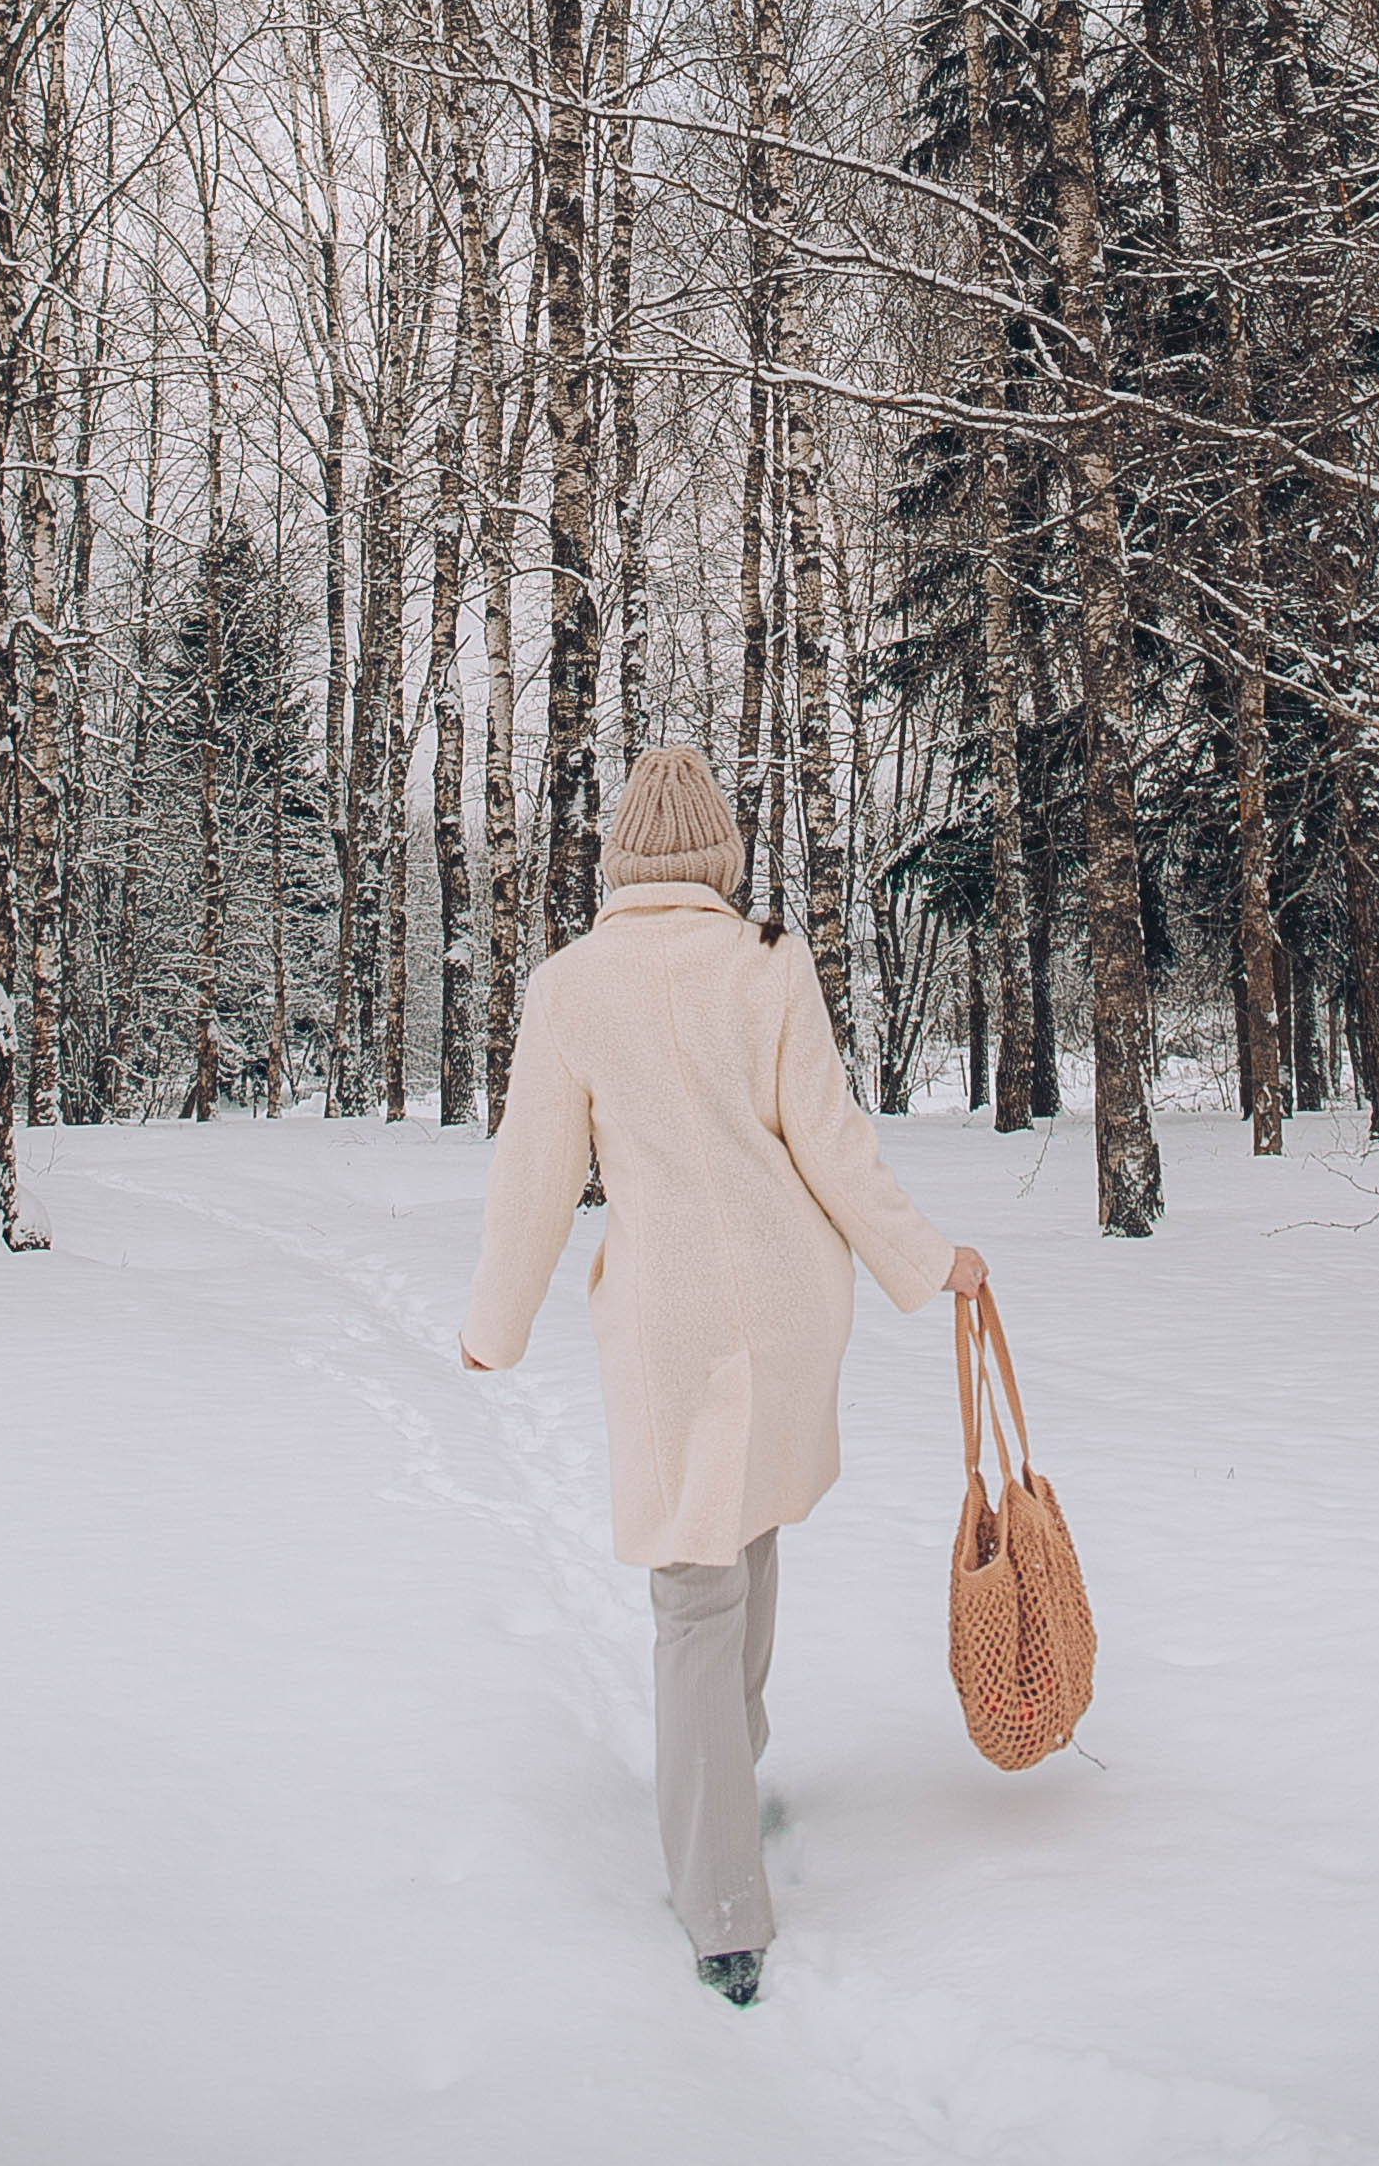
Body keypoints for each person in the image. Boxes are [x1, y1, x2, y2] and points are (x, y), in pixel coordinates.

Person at [459, 741, 987, 2008]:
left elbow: (534, 1174)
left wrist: (497, 1319)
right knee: (741, 1543)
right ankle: (728, 1782)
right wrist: (931, 1261)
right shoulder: (766, 962)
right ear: (716, 863)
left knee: (695, 1589)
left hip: (674, 1325)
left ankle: (720, 1904)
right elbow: (836, 1146)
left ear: (621, 866)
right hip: (792, 1306)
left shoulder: (571, 985)